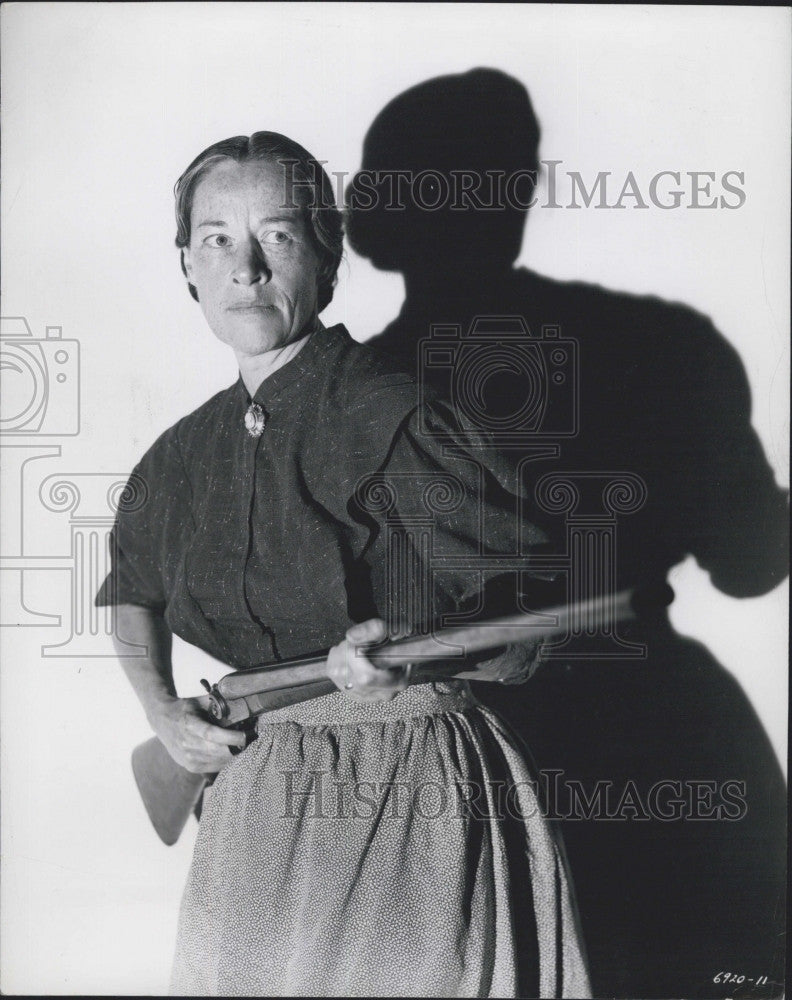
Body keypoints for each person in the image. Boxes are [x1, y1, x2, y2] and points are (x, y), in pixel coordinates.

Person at [96, 131, 592, 998]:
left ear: (330, 255)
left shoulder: (398, 413)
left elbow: (541, 603)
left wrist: (410, 644)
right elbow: (130, 587)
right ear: (187, 265)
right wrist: (164, 712)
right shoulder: (178, 453)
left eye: (278, 235)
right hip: (252, 800)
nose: (245, 267)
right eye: (216, 239)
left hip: (402, 791)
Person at [346, 69, 789, 998]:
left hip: (459, 774)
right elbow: (755, 563)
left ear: (369, 211)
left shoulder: (342, 399)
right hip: (667, 751)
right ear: (519, 192)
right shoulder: (663, 341)